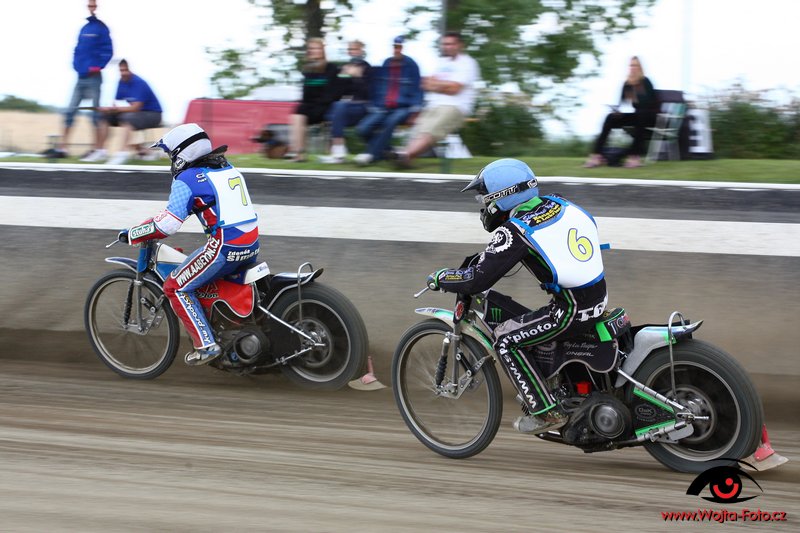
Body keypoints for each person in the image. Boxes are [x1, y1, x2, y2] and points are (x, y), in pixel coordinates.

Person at [426, 158, 608, 434]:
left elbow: (478, 279)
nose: (483, 204)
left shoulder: (515, 230)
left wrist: (442, 277)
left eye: (485, 197)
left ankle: (546, 413)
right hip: (596, 298)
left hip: (570, 310)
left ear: (502, 196)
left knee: (506, 340)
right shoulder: (558, 203)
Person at [119, 124, 260, 366]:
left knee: (175, 286)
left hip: (224, 249)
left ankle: (206, 346)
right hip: (251, 245)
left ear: (182, 154)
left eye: (171, 155)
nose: (171, 161)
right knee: (199, 276)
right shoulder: (228, 169)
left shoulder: (187, 179)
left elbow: (168, 225)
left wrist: (133, 234)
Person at [392, 31, 479, 168]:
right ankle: (404, 158)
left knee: (431, 129)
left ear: (460, 45)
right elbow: (425, 83)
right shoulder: (440, 62)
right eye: (445, 44)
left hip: (455, 107)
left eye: (451, 44)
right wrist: (443, 85)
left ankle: (404, 156)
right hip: (432, 105)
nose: (447, 47)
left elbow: (454, 89)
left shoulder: (467, 63)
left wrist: (436, 85)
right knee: (418, 130)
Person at [48, 0, 113, 158]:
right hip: (80, 77)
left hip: (94, 78)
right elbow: (77, 49)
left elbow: (108, 50)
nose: (91, 8)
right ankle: (62, 148)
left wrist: (98, 66)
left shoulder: (102, 28)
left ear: (98, 6)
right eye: (89, 5)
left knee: (94, 114)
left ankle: (97, 150)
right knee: (70, 111)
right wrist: (76, 65)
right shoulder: (84, 28)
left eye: (94, 5)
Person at [351, 36, 423, 166]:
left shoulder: (411, 65)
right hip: (383, 107)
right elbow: (378, 86)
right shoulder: (386, 63)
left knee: (390, 122)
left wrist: (415, 111)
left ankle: (371, 155)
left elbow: (417, 88)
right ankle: (388, 151)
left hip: (403, 107)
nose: (397, 50)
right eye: (395, 47)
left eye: (399, 47)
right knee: (363, 129)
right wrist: (374, 105)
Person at [81, 59, 163, 164]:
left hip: (153, 115)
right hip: (134, 113)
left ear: (130, 69)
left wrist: (116, 109)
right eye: (121, 70)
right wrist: (109, 109)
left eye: (125, 70)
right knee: (105, 117)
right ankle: (100, 151)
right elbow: (118, 103)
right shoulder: (121, 82)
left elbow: (135, 107)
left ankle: (122, 153)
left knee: (127, 118)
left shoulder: (139, 82)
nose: (123, 73)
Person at [584, 56, 659, 169]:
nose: (632, 68)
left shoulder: (645, 81)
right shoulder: (628, 83)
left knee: (642, 115)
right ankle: (597, 156)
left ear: (639, 67)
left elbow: (650, 101)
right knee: (610, 117)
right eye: (631, 65)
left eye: (635, 65)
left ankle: (634, 157)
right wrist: (616, 111)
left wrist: (636, 96)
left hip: (650, 116)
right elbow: (622, 102)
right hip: (638, 116)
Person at [286, 38, 340, 162]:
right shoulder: (308, 69)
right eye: (311, 48)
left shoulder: (331, 68)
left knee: (303, 110)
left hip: (326, 105)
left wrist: (320, 102)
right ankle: (299, 153)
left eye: (316, 48)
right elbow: (306, 93)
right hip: (311, 105)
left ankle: (331, 152)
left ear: (322, 50)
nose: (313, 51)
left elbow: (333, 92)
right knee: (298, 112)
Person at [318, 40, 371, 164]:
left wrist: (358, 77)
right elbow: (341, 91)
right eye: (350, 49)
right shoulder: (347, 67)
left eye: (355, 49)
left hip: (364, 106)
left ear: (361, 51)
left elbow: (368, 92)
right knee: (331, 110)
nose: (352, 52)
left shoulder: (367, 68)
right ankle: (337, 150)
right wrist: (341, 77)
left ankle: (338, 152)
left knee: (338, 107)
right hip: (348, 106)